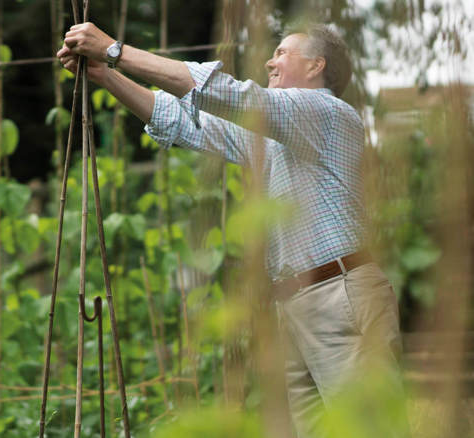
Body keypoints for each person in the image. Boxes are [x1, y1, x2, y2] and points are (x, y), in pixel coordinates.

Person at [57, 22, 407, 438]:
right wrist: (104, 75)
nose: (269, 61)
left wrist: (114, 50)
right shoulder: (277, 139)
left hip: (339, 294)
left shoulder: (327, 113)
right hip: (299, 304)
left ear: (316, 65)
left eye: (281, 53)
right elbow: (187, 123)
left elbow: (233, 96)